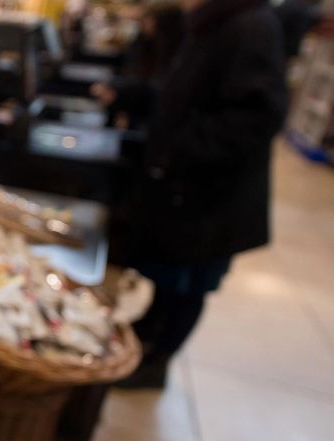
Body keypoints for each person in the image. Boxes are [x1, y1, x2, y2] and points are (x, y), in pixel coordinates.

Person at [119, 0, 289, 388]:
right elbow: (182, 92)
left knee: (190, 282)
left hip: (213, 194)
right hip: (189, 185)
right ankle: (148, 331)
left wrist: (179, 147)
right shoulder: (212, 23)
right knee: (170, 273)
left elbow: (257, 116)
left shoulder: (251, 26)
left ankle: (157, 362)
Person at [90, 2, 186, 130]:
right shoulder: (147, 44)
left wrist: (121, 96)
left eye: (149, 20)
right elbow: (134, 71)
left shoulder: (173, 52)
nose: (144, 24)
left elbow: (158, 91)